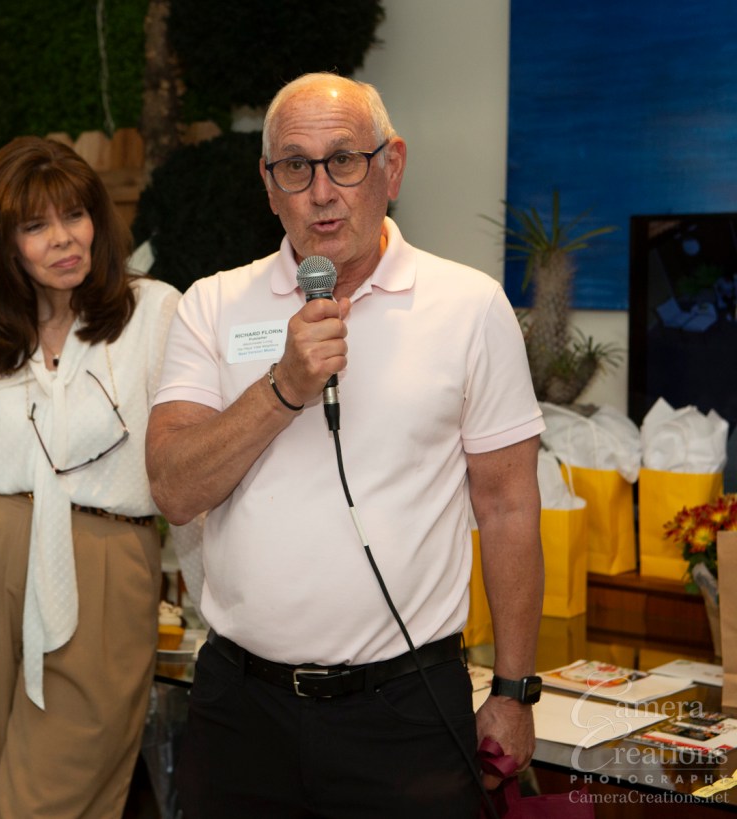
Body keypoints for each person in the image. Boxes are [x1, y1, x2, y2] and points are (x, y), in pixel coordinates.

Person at [145, 73, 545, 817]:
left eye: (344, 161)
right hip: (242, 711)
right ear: (269, 188)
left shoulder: (469, 307)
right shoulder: (212, 304)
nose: (322, 192)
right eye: (296, 167)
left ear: (392, 167)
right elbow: (172, 487)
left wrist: (515, 691)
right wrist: (283, 388)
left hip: (405, 710)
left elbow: (509, 505)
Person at [0, 135, 182, 818]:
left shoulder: (155, 312)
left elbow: (184, 465)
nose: (63, 238)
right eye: (35, 225)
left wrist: (219, 610)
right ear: (4, 244)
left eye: (75, 214)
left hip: (103, 563)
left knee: (48, 799)